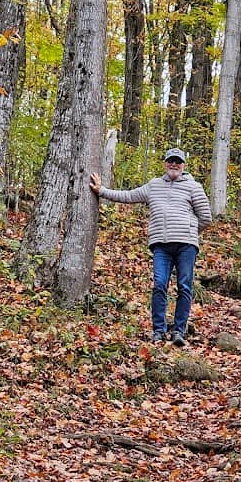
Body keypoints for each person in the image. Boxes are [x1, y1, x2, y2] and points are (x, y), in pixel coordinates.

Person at [90, 148, 213, 346]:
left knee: (184, 286)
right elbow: (129, 196)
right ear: (165, 163)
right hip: (161, 246)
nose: (174, 164)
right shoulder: (154, 185)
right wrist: (101, 191)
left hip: (186, 245)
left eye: (178, 161)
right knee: (159, 284)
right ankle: (158, 331)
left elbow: (206, 217)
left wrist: (188, 229)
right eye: (171, 161)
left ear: (183, 165)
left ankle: (179, 331)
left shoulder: (193, 187)